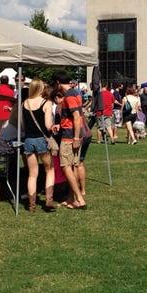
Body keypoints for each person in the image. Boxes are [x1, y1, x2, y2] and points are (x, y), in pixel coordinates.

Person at [53, 70, 86, 210]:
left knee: (65, 166)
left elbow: (77, 116)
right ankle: (71, 198)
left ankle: (79, 199)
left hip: (69, 137)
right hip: (72, 134)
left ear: (58, 83)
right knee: (72, 166)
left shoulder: (69, 96)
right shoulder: (76, 93)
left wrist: (76, 137)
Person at [22, 79, 56, 212]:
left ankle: (32, 205)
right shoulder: (46, 103)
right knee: (49, 169)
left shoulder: (24, 103)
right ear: (41, 88)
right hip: (41, 139)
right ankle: (48, 200)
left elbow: (22, 125)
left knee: (32, 174)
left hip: (28, 140)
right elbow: (48, 124)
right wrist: (53, 126)